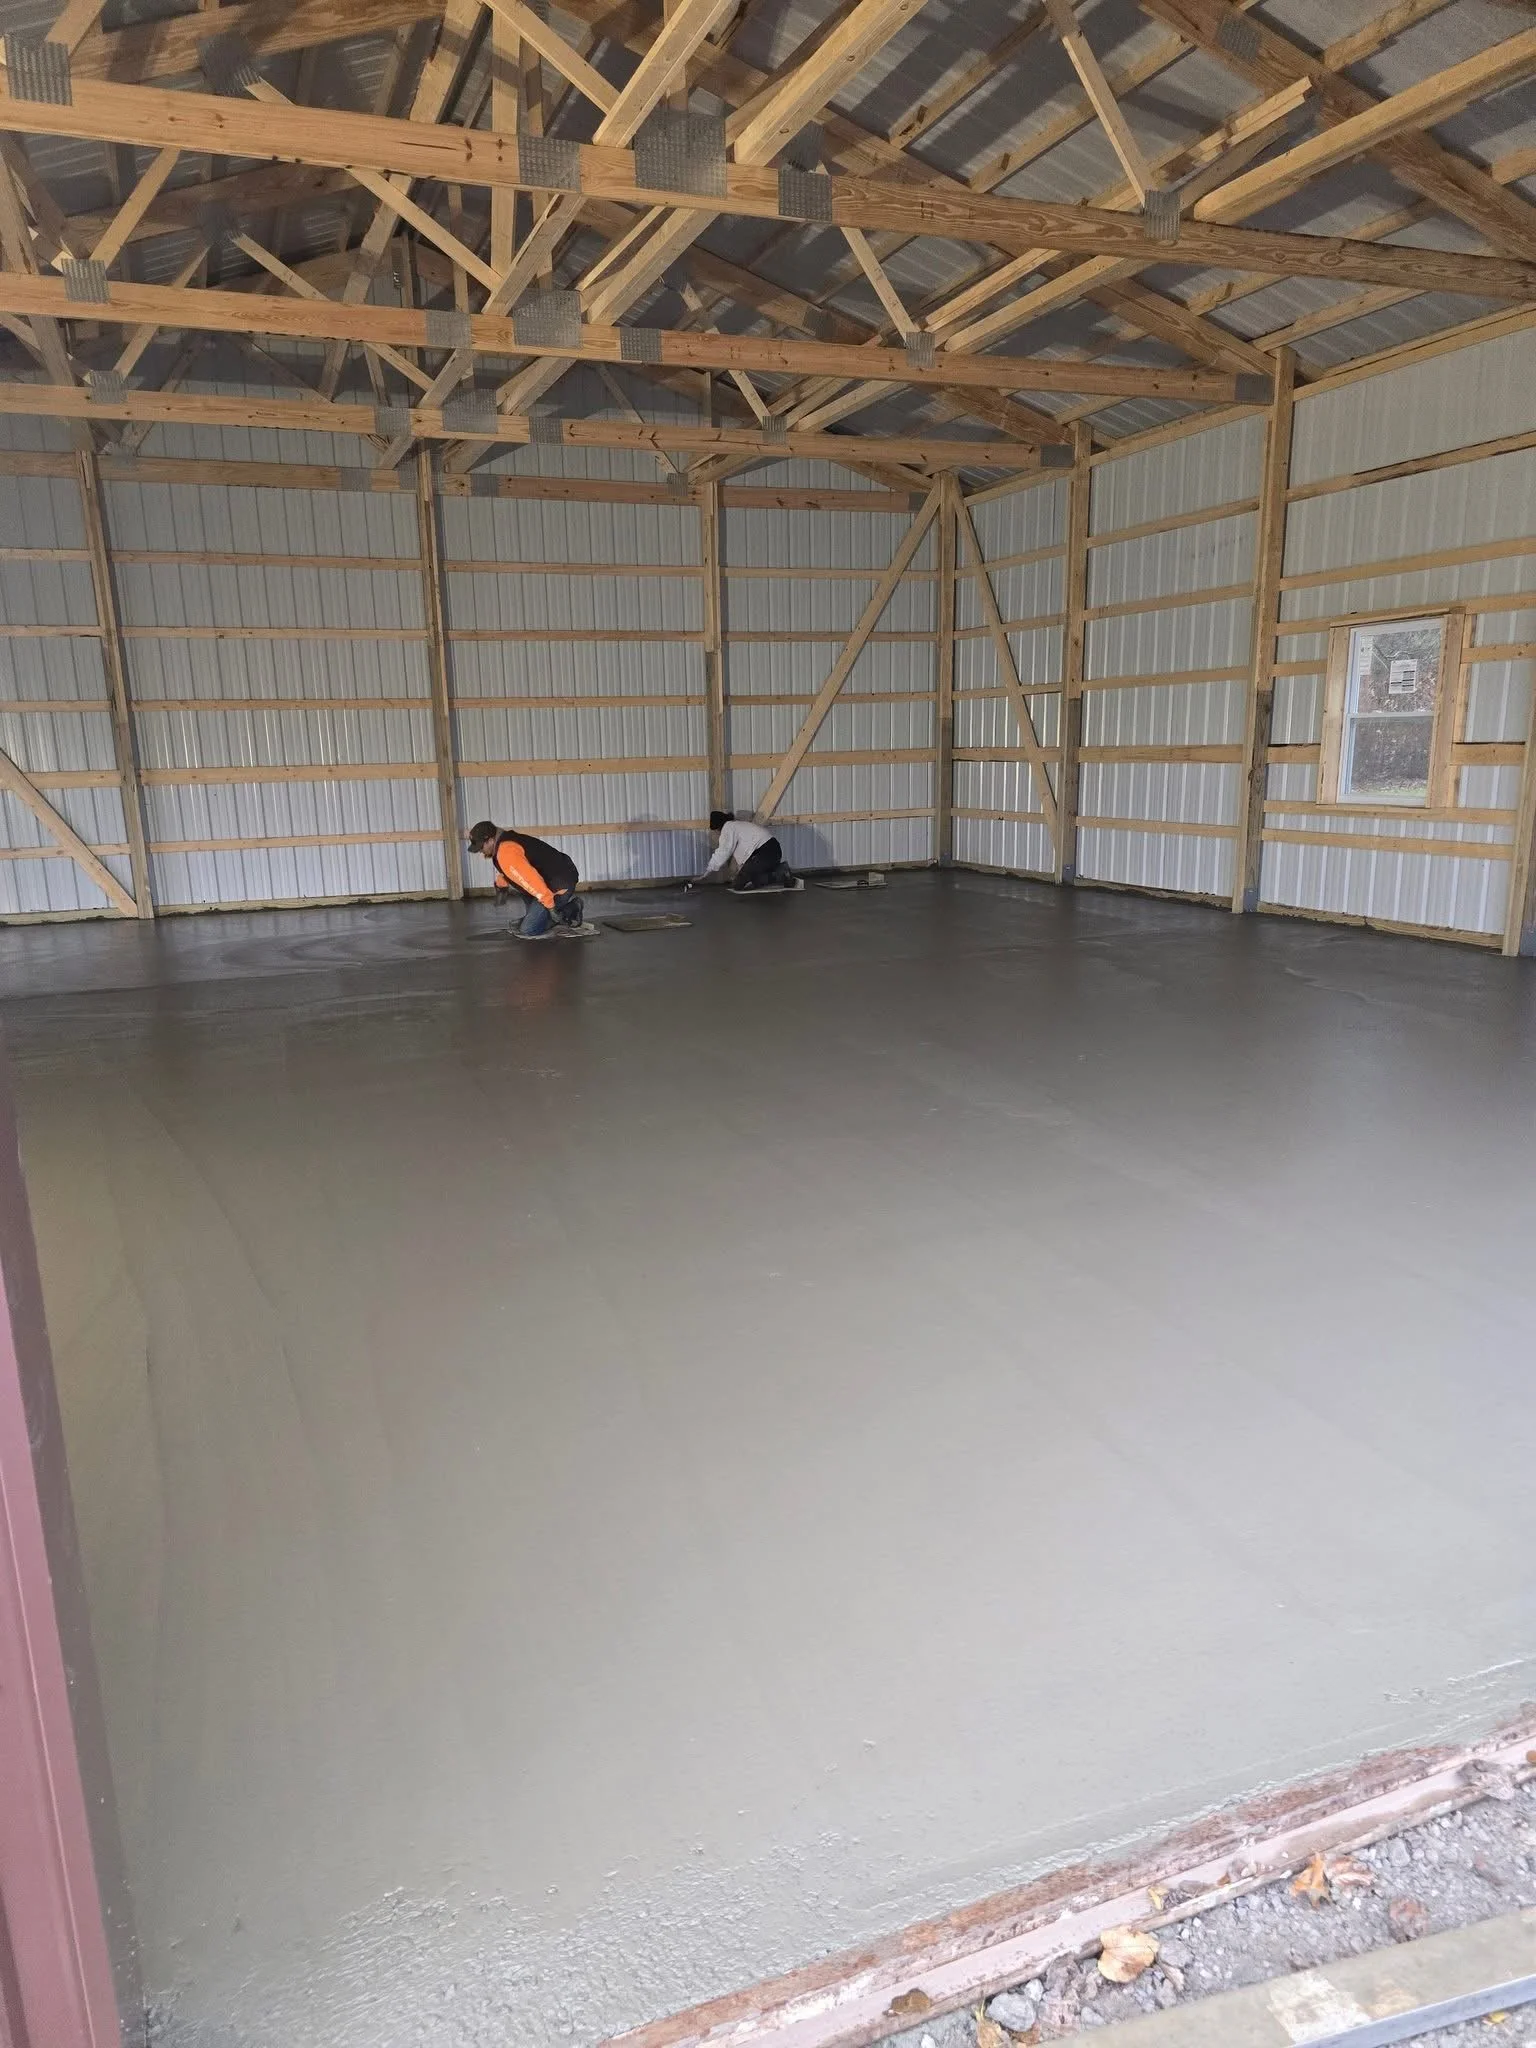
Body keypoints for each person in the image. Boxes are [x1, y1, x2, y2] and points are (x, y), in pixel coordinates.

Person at [467, 820, 586, 939]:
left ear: (490, 840)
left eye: (481, 847)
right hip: (549, 878)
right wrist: (501, 885)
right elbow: (512, 870)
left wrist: (550, 906)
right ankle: (537, 914)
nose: (480, 851)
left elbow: (530, 879)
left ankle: (572, 908)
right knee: (525, 907)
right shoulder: (504, 842)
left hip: (560, 883)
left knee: (528, 930)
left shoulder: (506, 851)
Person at [688, 811, 798, 893]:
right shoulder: (737, 825)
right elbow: (743, 853)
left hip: (764, 853)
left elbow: (724, 850)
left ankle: (781, 874)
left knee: (738, 885)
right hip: (773, 850)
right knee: (748, 877)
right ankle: (781, 869)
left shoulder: (728, 827)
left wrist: (706, 872)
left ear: (718, 827)